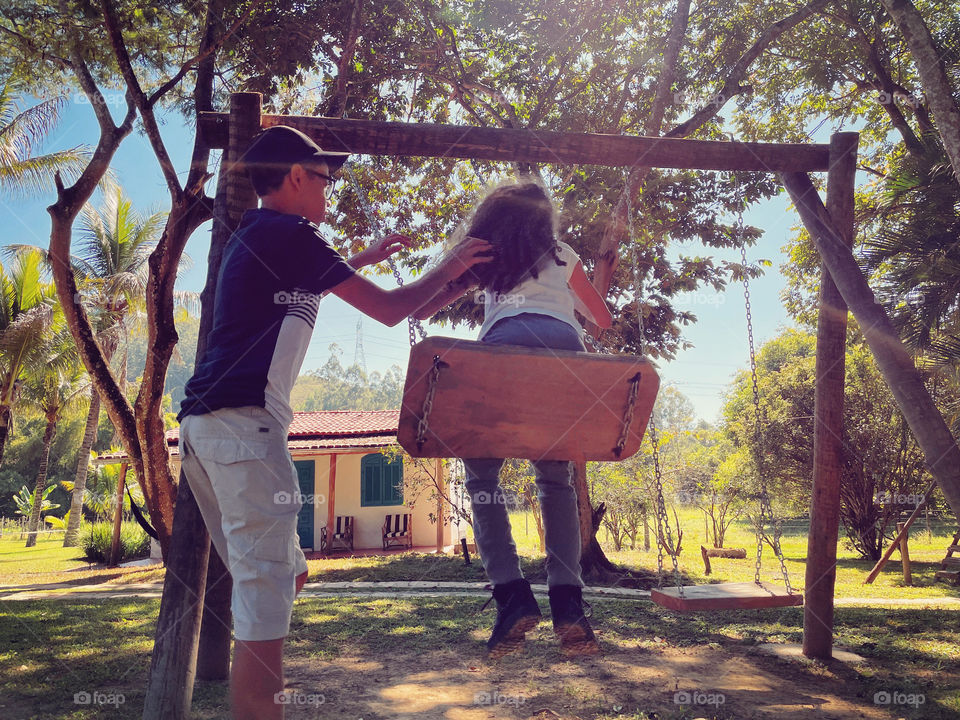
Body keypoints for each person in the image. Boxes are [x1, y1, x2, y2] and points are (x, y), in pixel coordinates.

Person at [178, 125, 491, 720]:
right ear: (296, 176)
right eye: (324, 178)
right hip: (244, 428)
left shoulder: (263, 237)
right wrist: (448, 263)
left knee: (279, 580)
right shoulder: (290, 234)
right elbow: (393, 308)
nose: (330, 190)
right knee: (265, 593)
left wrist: (454, 280)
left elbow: (390, 304)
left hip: (207, 433)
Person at [413, 180, 613, 658]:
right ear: (547, 224)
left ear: (491, 221)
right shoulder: (563, 254)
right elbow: (602, 319)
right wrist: (571, 302)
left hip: (502, 352)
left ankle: (511, 595)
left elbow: (419, 309)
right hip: (566, 356)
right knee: (556, 479)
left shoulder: (485, 257)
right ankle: (569, 604)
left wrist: (456, 264)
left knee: (482, 476)